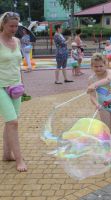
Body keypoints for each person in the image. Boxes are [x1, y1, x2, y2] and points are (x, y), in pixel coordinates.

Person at [0, 11, 27, 172]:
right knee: (13, 122)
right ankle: (19, 160)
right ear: (3, 24)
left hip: (15, 87)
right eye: (11, 26)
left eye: (16, 26)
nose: (14, 29)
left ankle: (6, 154)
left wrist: (23, 85)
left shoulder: (17, 41)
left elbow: (18, 65)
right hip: (0, 86)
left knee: (10, 122)